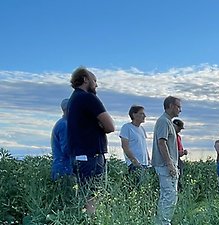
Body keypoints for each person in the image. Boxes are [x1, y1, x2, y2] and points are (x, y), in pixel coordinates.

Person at [66, 67, 115, 214]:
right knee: (91, 198)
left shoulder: (73, 99)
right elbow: (110, 126)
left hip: (79, 156)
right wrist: (101, 125)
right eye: (95, 81)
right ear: (85, 79)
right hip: (90, 156)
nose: (97, 85)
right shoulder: (88, 98)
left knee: (83, 196)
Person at [152, 96, 181, 225]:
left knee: (169, 195)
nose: (180, 110)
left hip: (169, 164)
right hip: (165, 165)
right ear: (170, 106)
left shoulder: (168, 122)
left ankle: (164, 223)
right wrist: (169, 164)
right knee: (169, 195)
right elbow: (161, 142)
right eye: (178, 106)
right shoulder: (163, 121)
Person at [120, 105, 150, 183]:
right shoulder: (127, 127)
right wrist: (134, 161)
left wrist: (149, 159)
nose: (144, 116)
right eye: (141, 113)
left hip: (144, 164)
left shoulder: (142, 129)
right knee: (135, 187)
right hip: (135, 165)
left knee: (143, 189)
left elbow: (144, 146)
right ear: (134, 114)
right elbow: (125, 146)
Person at [50, 98, 74, 180]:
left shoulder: (62, 123)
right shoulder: (65, 125)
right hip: (64, 168)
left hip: (61, 167)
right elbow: (67, 149)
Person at [172, 118, 188, 191]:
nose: (180, 130)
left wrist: (182, 152)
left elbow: (179, 151)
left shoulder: (178, 137)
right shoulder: (171, 136)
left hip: (177, 159)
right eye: (179, 128)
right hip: (172, 159)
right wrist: (180, 152)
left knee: (180, 178)